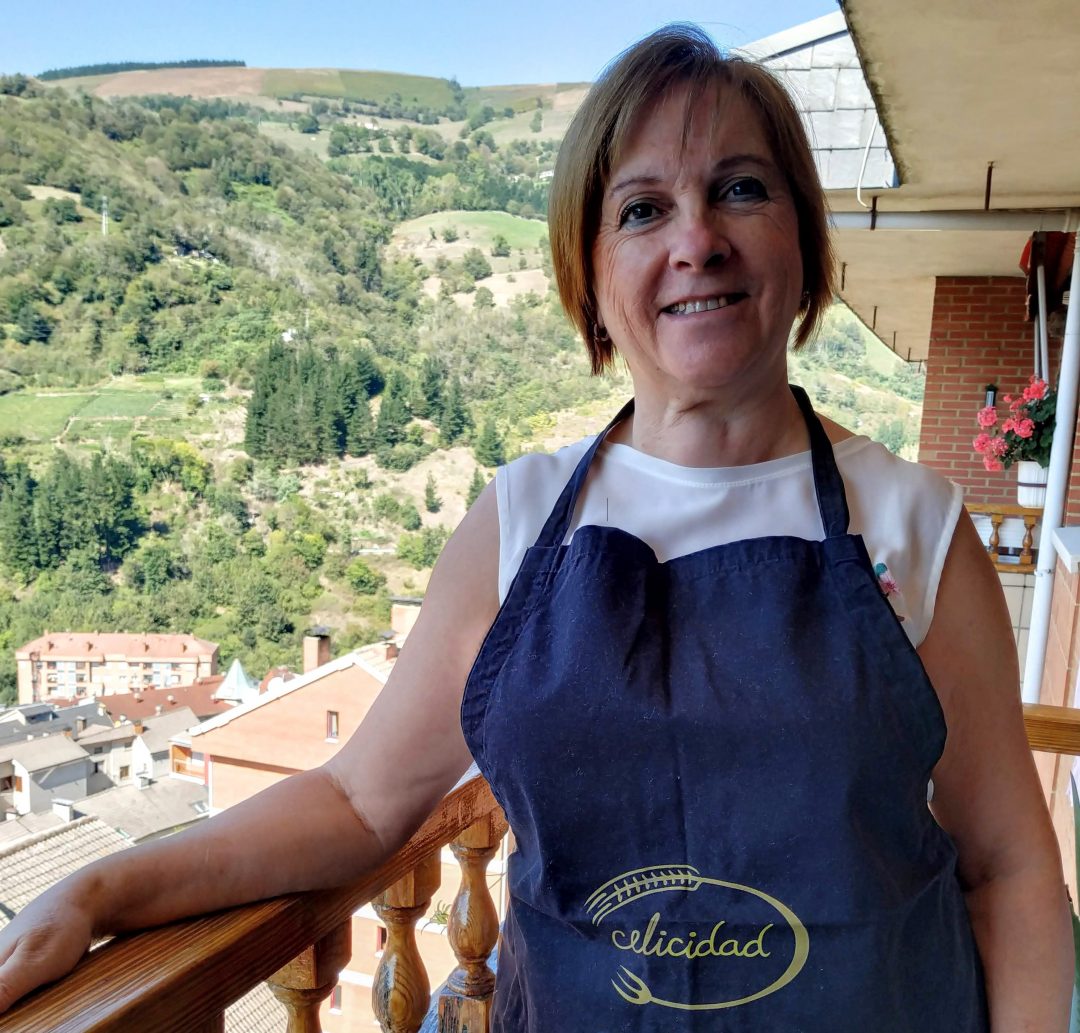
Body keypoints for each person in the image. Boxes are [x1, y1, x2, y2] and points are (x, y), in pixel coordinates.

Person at [0, 24, 1071, 1032]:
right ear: (589, 277)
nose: (697, 239)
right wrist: (98, 890)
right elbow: (358, 803)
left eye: (741, 189)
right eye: (642, 209)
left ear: (802, 240)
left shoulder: (915, 525)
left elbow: (1011, 868)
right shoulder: (518, 526)